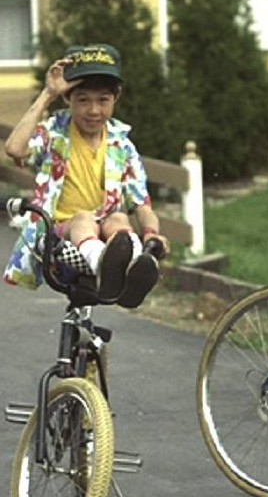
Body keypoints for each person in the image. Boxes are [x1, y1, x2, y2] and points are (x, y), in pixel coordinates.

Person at [3, 43, 169, 308]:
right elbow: (14, 148)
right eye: (83, 100)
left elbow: (142, 204)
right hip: (59, 240)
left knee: (117, 217)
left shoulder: (121, 145)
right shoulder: (54, 134)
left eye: (103, 100)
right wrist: (48, 94)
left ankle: (134, 268)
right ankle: (104, 267)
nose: (93, 111)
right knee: (83, 219)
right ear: (68, 99)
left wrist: (151, 234)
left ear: (116, 98)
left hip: (107, 234)